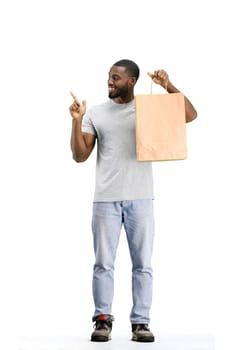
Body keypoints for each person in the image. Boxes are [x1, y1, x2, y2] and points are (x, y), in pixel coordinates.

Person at [69, 59, 197, 343]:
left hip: (141, 199)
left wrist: (168, 86)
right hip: (105, 201)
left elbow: (189, 115)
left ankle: (141, 322)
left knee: (143, 264)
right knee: (103, 263)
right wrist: (77, 121)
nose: (110, 82)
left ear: (132, 81)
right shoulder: (97, 114)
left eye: (116, 78)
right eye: (109, 77)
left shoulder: (148, 108)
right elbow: (80, 156)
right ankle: (102, 320)